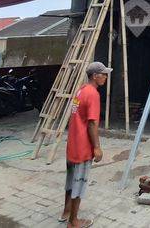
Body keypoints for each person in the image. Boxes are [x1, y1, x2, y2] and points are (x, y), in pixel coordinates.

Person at [59, 61, 111, 228]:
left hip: (72, 144)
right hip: (82, 147)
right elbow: (92, 124)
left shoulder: (81, 90)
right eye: (103, 74)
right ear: (95, 76)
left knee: (70, 179)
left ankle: (66, 211)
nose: (105, 76)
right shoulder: (93, 94)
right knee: (79, 182)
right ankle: (73, 221)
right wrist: (97, 147)